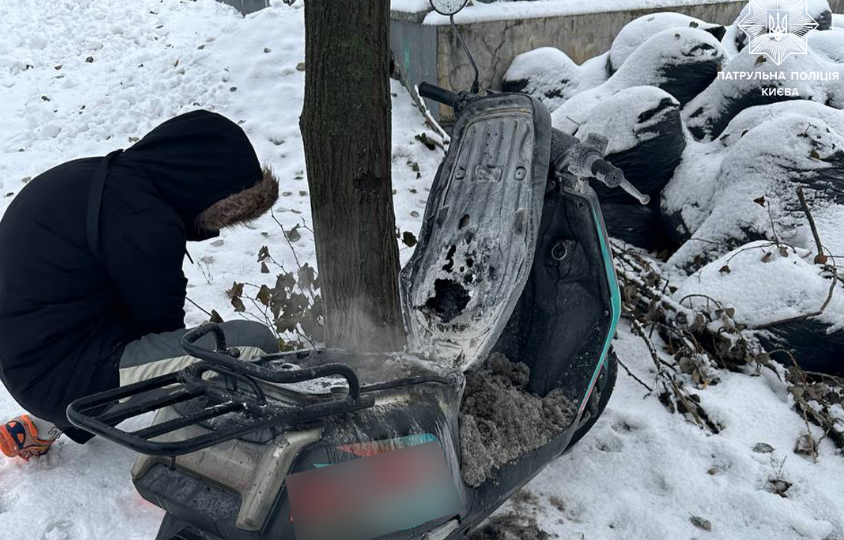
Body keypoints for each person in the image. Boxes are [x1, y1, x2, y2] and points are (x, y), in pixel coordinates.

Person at [0, 110, 281, 460]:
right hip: (58, 373)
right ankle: (228, 456)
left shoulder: (100, 177)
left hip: (28, 360)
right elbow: (170, 336)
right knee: (251, 344)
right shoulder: (146, 222)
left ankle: (46, 422)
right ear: (207, 184)